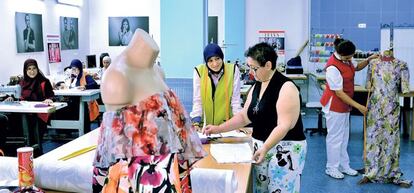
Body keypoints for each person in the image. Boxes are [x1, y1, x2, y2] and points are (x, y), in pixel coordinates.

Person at [92, 28, 206, 192]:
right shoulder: (117, 76)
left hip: (168, 168)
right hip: (139, 176)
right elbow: (114, 151)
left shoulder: (157, 71)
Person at [203, 42, 307, 193]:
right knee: (261, 189)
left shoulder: (286, 87)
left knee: (280, 189)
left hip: (285, 148)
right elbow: (245, 116)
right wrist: (218, 128)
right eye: (249, 67)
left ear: (268, 65)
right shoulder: (257, 85)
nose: (251, 72)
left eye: (254, 68)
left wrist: (265, 147)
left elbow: (283, 126)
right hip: (261, 147)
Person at [320, 38, 378, 179]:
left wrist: (369, 59)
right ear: (340, 54)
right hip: (334, 105)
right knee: (335, 138)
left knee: (344, 137)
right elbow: (339, 92)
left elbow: (356, 67)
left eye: (352, 56)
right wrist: (358, 106)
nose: (351, 59)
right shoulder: (332, 68)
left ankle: (343, 165)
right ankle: (331, 167)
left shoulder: (346, 59)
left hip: (344, 105)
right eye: (349, 57)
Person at [358, 50, 412, 187]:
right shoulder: (373, 64)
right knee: (373, 138)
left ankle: (391, 172)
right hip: (374, 107)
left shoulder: (402, 65)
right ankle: (371, 171)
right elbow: (368, 85)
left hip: (391, 107)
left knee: (391, 139)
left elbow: (405, 88)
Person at [4, 59, 55, 154]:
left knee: (32, 124)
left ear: (37, 69)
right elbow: (17, 96)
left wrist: (49, 99)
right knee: (10, 121)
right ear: (25, 70)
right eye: (29, 69)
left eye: (34, 68)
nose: (32, 71)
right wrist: (11, 97)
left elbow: (51, 95)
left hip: (39, 113)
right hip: (24, 112)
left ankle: (36, 151)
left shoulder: (44, 81)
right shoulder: (22, 83)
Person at [190, 43, 242, 130]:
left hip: (227, 125)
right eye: (210, 60)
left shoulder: (233, 70)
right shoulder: (199, 71)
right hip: (205, 126)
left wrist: (239, 123)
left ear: (222, 57)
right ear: (206, 62)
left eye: (217, 58)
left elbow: (235, 101)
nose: (215, 64)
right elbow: (198, 100)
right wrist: (196, 122)